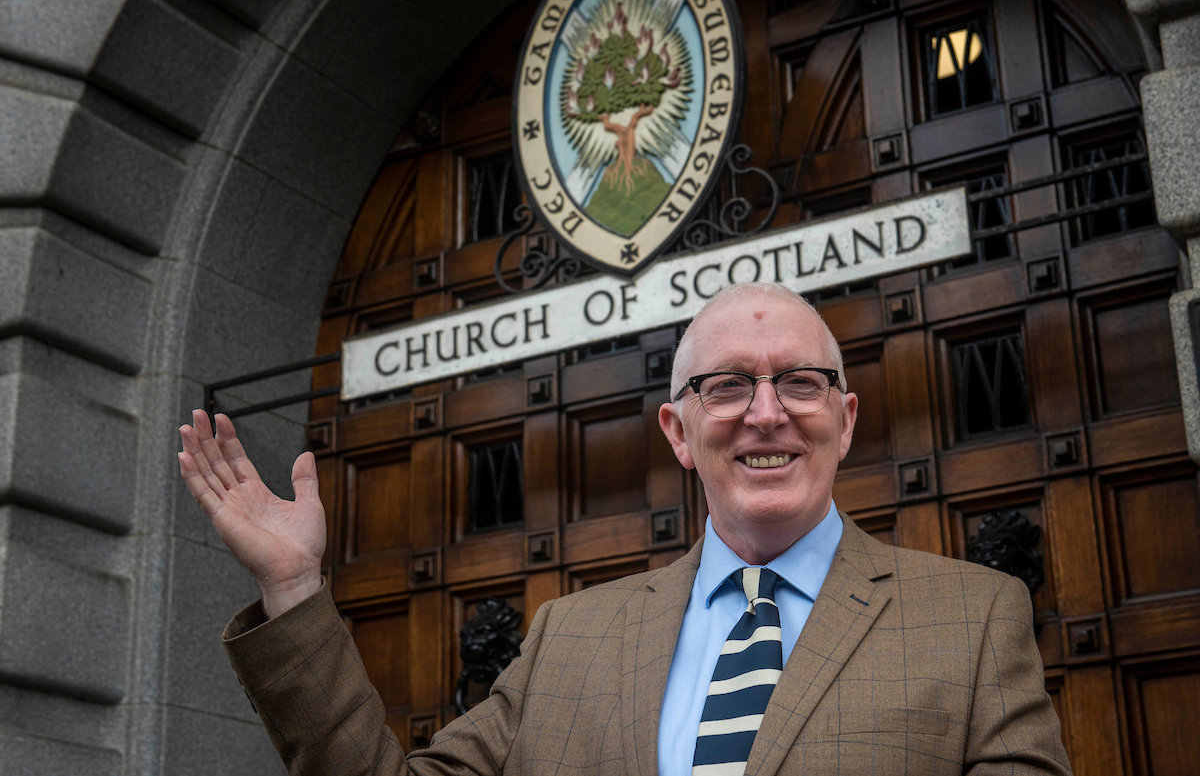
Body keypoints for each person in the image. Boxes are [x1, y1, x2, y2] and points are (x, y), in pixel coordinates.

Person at [179, 282, 1071, 775]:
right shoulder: (572, 637)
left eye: (799, 382)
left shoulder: (974, 617)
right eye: (726, 386)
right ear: (679, 434)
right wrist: (294, 587)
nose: (766, 413)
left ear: (846, 419)